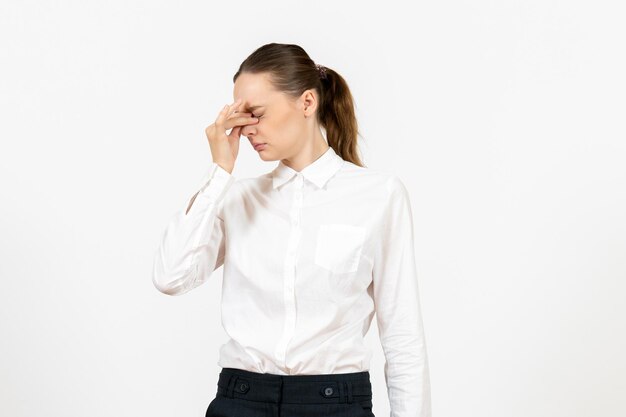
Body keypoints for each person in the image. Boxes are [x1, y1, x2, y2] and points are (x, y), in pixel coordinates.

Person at [152, 43, 432, 417]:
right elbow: (170, 276)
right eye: (239, 115)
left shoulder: (378, 196)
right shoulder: (236, 199)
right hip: (242, 399)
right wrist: (219, 171)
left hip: (335, 404)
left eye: (256, 113)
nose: (247, 127)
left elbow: (402, 336)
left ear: (307, 102)